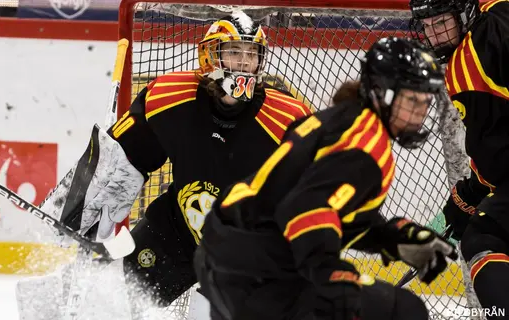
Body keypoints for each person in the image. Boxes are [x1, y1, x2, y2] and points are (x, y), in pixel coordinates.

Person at [31, 10, 313, 319]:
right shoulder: (169, 98)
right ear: (210, 55)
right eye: (234, 52)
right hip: (178, 232)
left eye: (251, 54)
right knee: (108, 303)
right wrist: (74, 214)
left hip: (246, 257)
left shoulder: (289, 119)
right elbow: (120, 158)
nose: (244, 63)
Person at [194, 36, 458, 320]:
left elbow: (322, 208)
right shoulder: (366, 146)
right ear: (383, 93)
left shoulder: (343, 118)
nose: (421, 112)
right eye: (412, 100)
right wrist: (332, 275)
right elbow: (305, 210)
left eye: (425, 101)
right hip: (260, 275)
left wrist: (390, 238)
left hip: (225, 259)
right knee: (404, 311)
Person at [409, 0, 509, 314]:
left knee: (483, 236)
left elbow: (495, 162)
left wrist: (469, 194)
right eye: (427, 27)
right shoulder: (499, 8)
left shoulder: (466, 67)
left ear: (463, 14)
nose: (434, 36)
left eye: (441, 24)